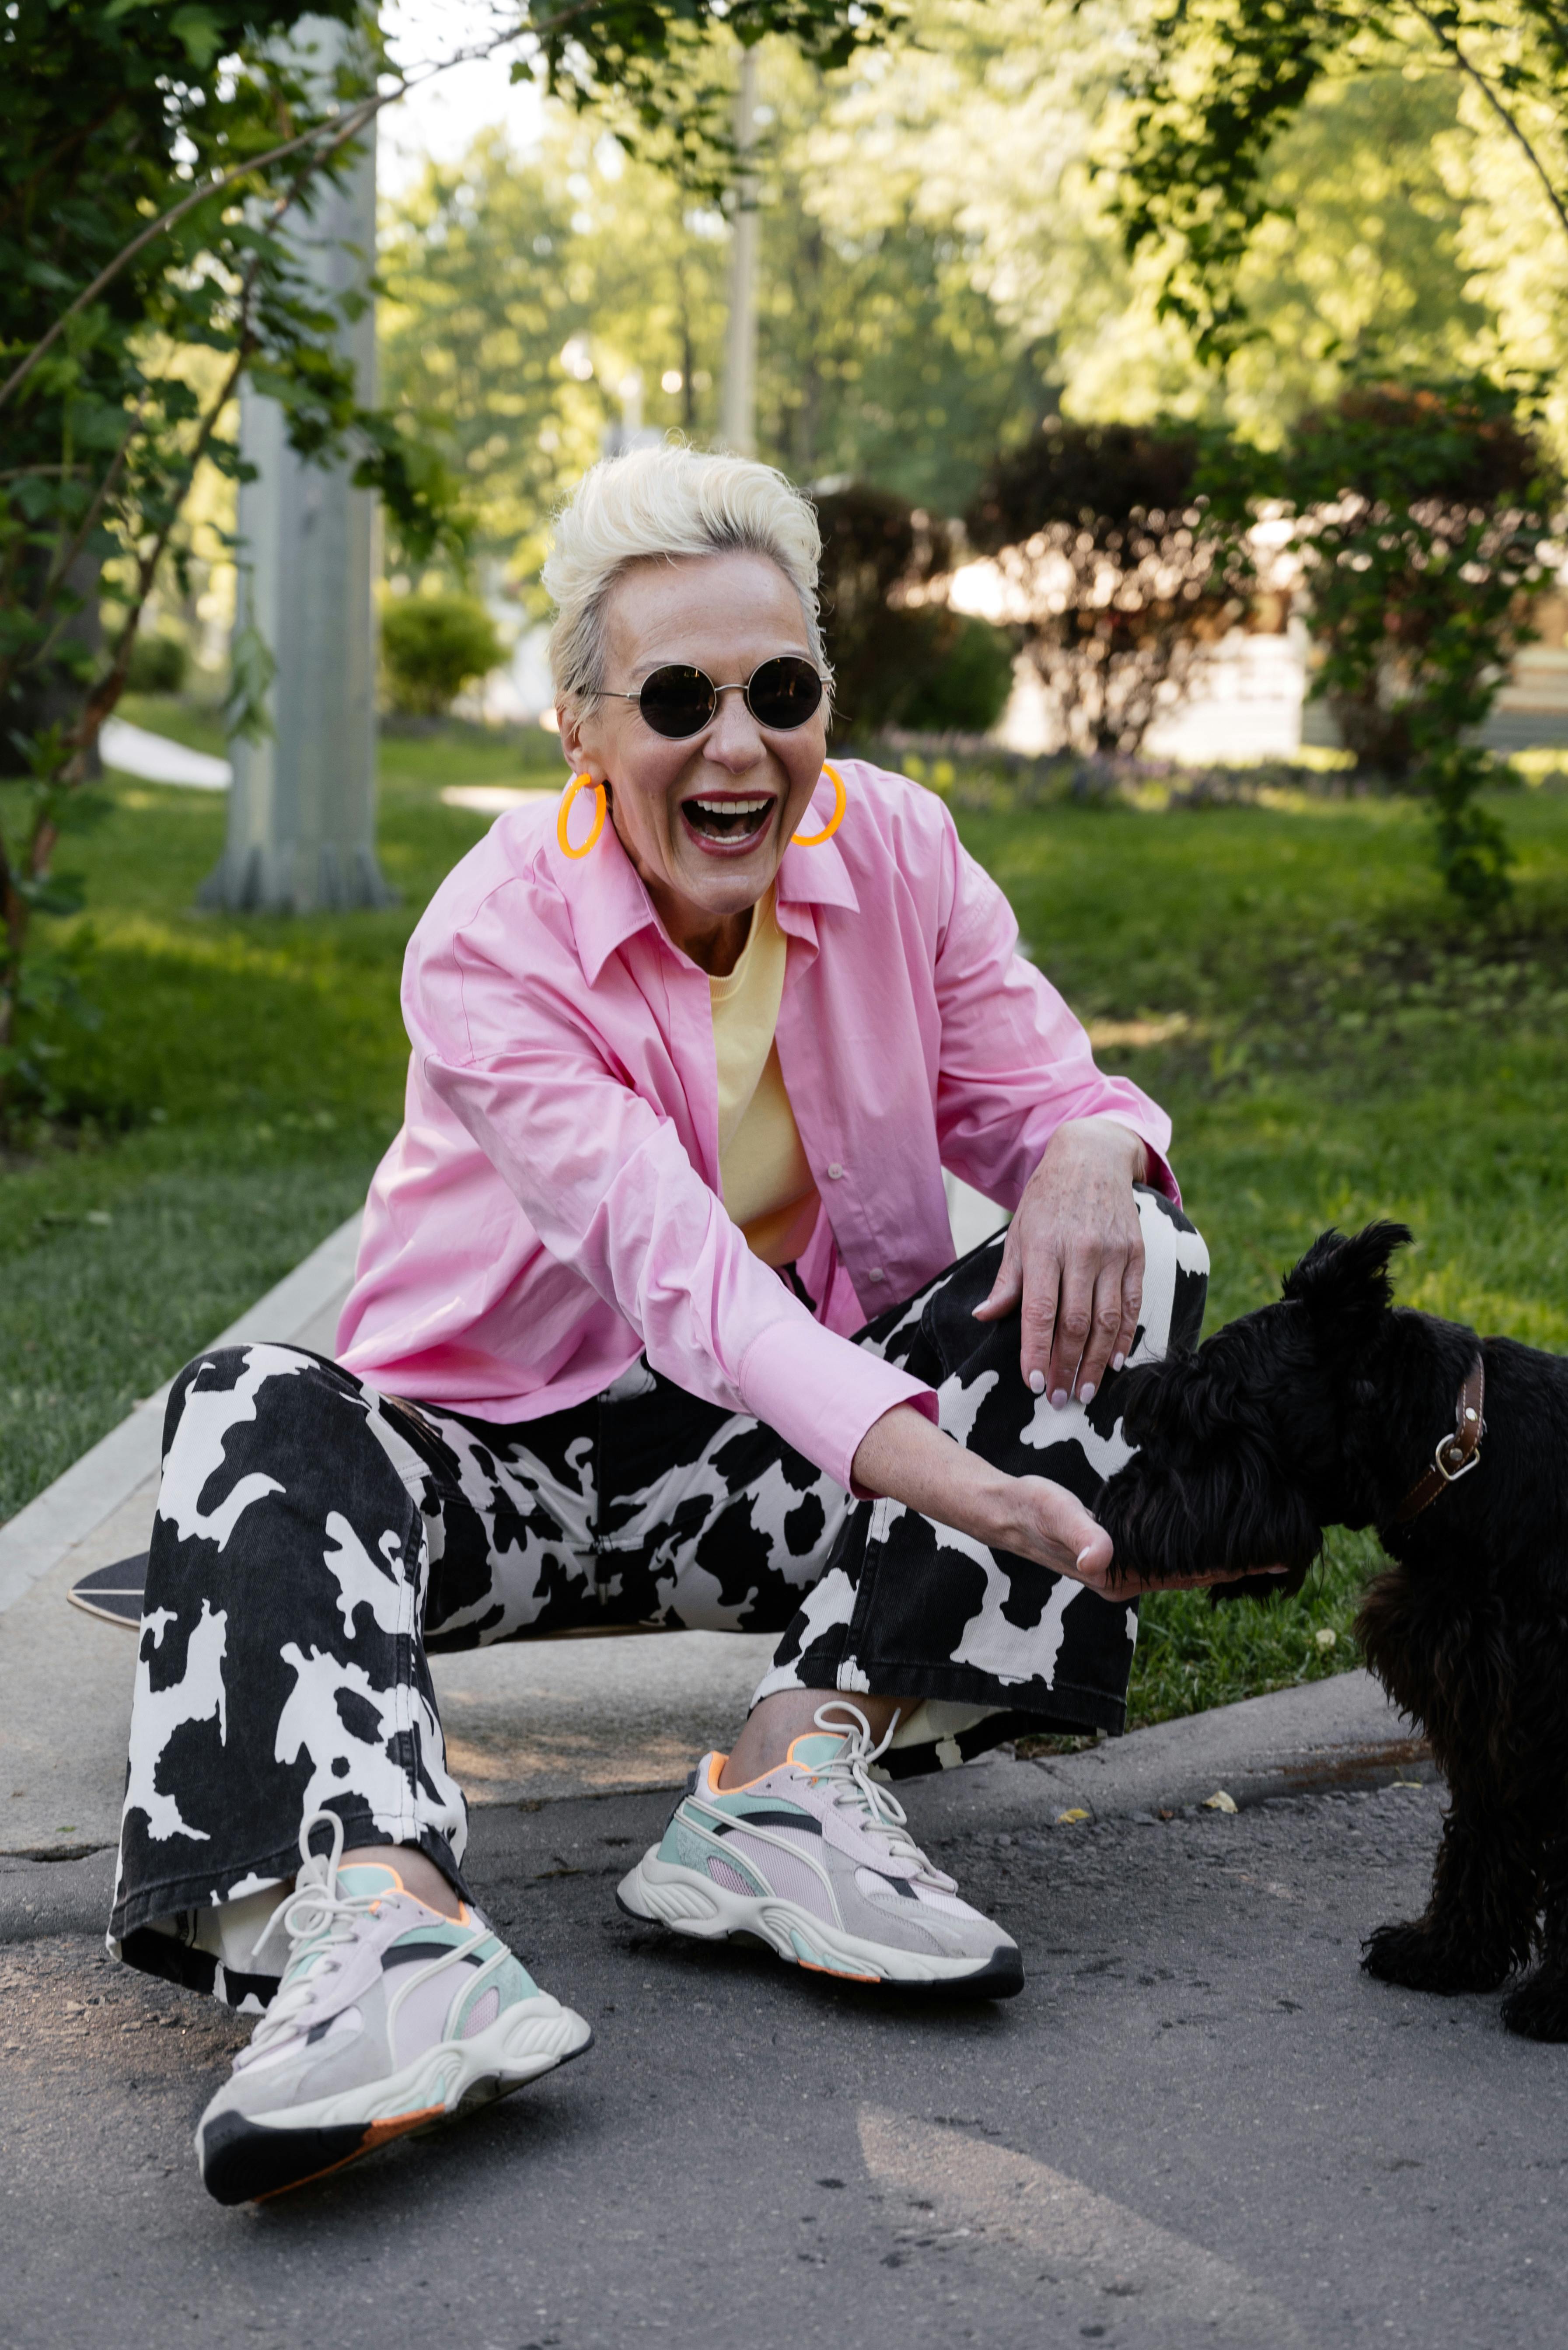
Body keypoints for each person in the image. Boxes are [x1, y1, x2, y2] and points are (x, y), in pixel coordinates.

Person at [109, 445, 1244, 2207]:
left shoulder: (901, 847)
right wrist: (947, 1475)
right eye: (676, 698)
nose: (739, 744)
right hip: (489, 1472)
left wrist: (1098, 1143)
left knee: (1135, 1249)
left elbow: (1047, 1092)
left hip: (753, 1472)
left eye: (780, 691)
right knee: (251, 1405)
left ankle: (793, 1791)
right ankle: (379, 1942)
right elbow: (679, 1276)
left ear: (825, 702)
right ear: (580, 726)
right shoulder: (493, 939)